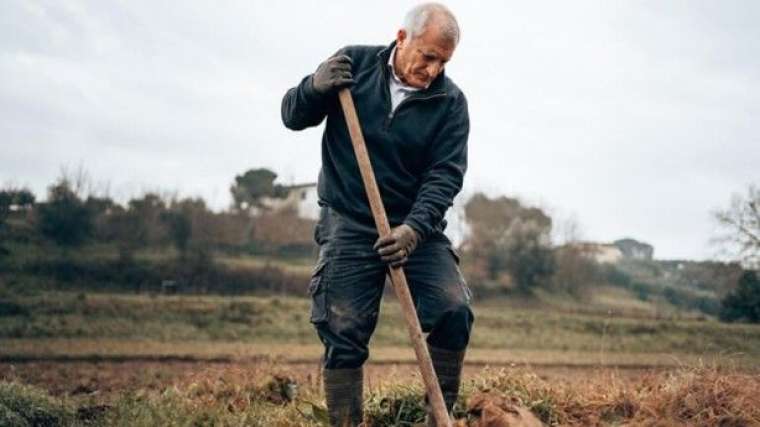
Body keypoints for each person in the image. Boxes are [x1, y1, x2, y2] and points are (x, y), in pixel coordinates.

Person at [281, 3, 473, 425]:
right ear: (402, 39)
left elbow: (444, 177)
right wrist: (314, 87)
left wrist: (414, 230)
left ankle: (436, 419)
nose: (434, 69)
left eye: (444, 61)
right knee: (343, 328)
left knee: (453, 310)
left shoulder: (450, 104)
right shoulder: (353, 66)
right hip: (349, 219)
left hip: (414, 226)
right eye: (428, 56)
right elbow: (292, 115)